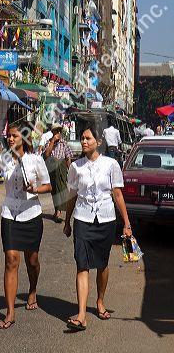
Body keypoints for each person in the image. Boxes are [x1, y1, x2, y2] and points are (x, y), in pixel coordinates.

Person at [0, 121, 52, 329]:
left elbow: (48, 185)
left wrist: (35, 189)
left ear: (24, 138)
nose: (10, 139)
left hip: (31, 214)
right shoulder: (4, 160)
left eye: (15, 136)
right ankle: (10, 312)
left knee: (32, 260)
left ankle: (32, 289)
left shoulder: (35, 160)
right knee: (11, 260)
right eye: (9, 136)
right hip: (10, 214)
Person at [64, 125, 132, 332]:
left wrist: (127, 224)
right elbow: (72, 196)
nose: (84, 142)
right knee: (82, 265)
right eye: (82, 139)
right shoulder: (76, 167)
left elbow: (117, 194)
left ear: (98, 142)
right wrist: (67, 221)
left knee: (102, 264)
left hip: (106, 219)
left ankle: (100, 301)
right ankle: (82, 314)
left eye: (88, 138)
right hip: (83, 219)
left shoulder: (111, 164)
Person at [44, 123, 73, 223]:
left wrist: (71, 171)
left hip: (61, 169)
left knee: (61, 188)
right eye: (56, 131)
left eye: (59, 131)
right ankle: (57, 210)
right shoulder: (49, 143)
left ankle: (59, 211)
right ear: (53, 132)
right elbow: (47, 155)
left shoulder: (64, 143)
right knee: (54, 190)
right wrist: (53, 141)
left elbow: (68, 157)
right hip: (52, 169)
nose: (58, 133)